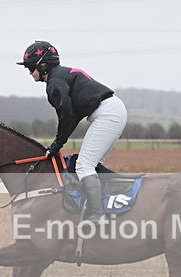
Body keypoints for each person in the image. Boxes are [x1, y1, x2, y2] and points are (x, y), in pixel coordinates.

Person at [17, 40, 127, 223]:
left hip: (108, 114)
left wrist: (56, 144)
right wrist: (58, 143)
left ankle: (98, 215)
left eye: (30, 67)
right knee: (91, 165)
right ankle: (112, 198)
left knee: (84, 166)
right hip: (112, 111)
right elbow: (72, 117)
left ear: (43, 65)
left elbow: (67, 116)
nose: (29, 72)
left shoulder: (54, 83)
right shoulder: (59, 76)